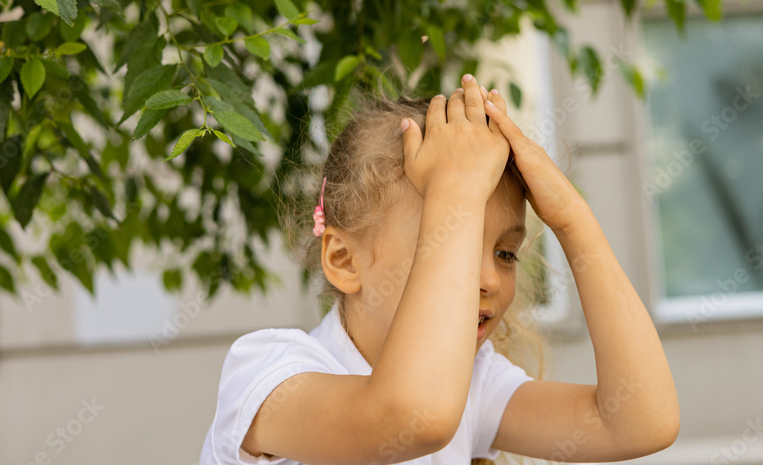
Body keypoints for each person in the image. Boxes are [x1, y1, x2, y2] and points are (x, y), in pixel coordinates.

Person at [200, 74, 679, 465]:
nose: (488, 280)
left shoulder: (474, 386)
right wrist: (455, 191)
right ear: (344, 260)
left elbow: (640, 421)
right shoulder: (269, 374)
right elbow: (411, 415)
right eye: (449, 242)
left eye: (505, 254)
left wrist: (574, 221)